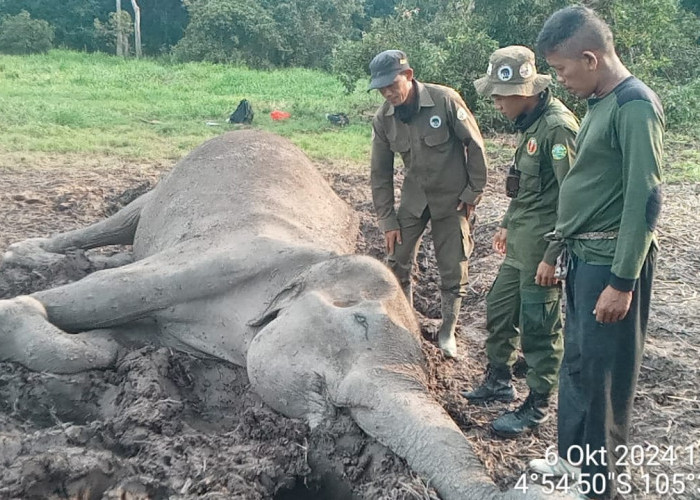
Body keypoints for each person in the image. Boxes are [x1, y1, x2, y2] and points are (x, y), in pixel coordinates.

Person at [529, 7, 664, 499]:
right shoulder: (599, 102)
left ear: (589, 58)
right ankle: (571, 461)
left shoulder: (634, 106)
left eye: (563, 70)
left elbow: (643, 197)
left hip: (611, 264)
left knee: (605, 380)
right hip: (584, 259)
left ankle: (600, 486)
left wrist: (623, 281)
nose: (560, 81)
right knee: (579, 363)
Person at [461, 46, 579, 439]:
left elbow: (573, 197)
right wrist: (508, 223)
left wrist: (554, 254)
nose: (495, 103)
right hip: (521, 245)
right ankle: (498, 380)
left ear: (524, 91)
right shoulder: (531, 124)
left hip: (543, 250)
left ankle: (538, 404)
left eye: (499, 95)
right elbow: (525, 188)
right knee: (499, 307)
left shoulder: (558, 128)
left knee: (539, 327)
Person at [368, 49, 488, 359]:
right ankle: (405, 323)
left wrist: (472, 193)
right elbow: (379, 174)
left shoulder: (444, 99)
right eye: (380, 88)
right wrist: (388, 220)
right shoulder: (384, 118)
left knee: (453, 267)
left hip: (452, 201)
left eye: (391, 85)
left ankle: (447, 330)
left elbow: (474, 147)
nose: (387, 93)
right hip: (414, 200)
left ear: (408, 76)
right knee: (396, 261)